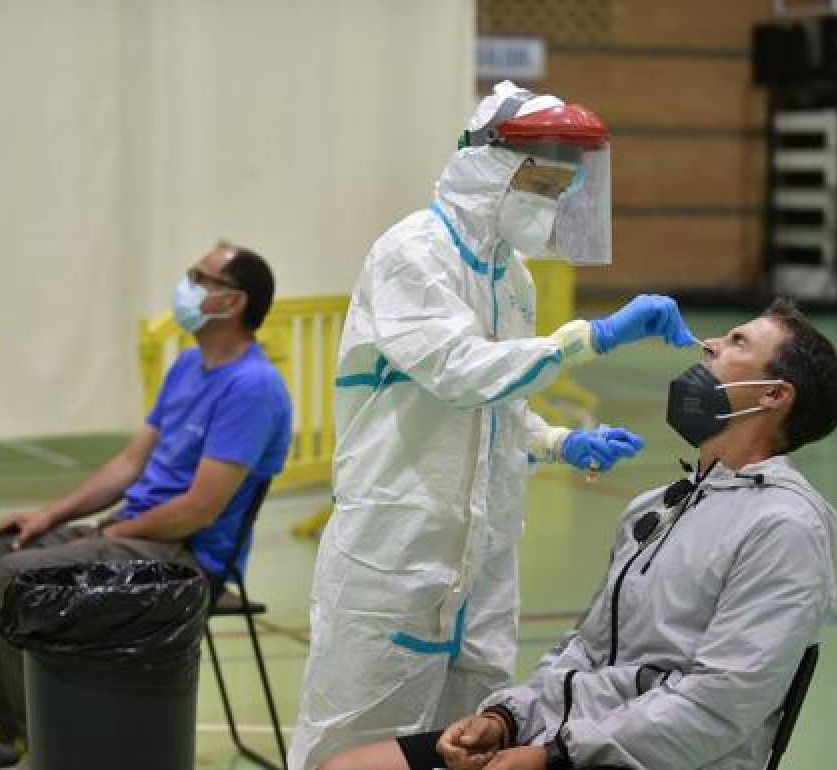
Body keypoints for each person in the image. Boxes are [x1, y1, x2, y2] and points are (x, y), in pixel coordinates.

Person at [287, 81, 698, 769]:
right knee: (356, 748)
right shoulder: (414, 253)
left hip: (481, 563)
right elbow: (459, 369)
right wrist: (591, 337)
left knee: (468, 741)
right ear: (487, 167)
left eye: (562, 187)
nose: (552, 200)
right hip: (395, 554)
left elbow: (494, 406)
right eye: (541, 182)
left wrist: (558, 442)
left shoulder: (512, 277)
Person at [319, 298, 837, 770]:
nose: (710, 344)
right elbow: (585, 650)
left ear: (774, 395)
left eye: (737, 341)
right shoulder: (659, 507)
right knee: (345, 766)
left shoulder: (785, 527)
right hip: (573, 739)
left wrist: (555, 755)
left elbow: (717, 706)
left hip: (652, 757)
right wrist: (506, 720)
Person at [0, 242, 293, 770]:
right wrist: (49, 516)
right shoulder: (188, 364)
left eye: (199, 277)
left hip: (184, 557)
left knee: (15, 575)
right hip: (133, 533)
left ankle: (49, 748)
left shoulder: (254, 388)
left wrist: (109, 535)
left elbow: (198, 510)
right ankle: (20, 734)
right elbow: (130, 463)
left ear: (233, 302)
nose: (186, 285)